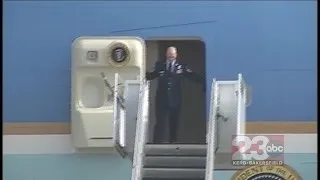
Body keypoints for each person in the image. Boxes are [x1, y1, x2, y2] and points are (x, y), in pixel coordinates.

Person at [146, 46, 205, 143]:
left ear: (176, 55)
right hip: (161, 98)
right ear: (166, 54)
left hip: (175, 99)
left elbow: (192, 75)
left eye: (173, 55)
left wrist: (205, 80)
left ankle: (172, 141)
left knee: (174, 121)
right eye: (169, 55)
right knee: (160, 121)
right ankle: (157, 141)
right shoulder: (160, 65)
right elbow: (151, 75)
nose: (171, 57)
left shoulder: (181, 66)